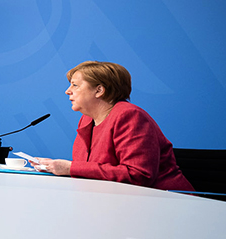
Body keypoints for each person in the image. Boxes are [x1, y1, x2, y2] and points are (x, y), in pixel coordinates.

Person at [31, 61, 194, 191]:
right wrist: (55, 167)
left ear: (99, 90)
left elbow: (139, 175)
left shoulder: (130, 116)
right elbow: (88, 170)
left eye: (75, 85)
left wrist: (70, 168)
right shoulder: (86, 119)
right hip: (113, 201)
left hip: (166, 203)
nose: (68, 91)